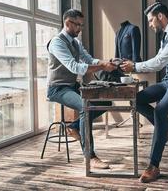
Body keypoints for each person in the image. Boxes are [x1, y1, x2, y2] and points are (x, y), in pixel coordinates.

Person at [120, 2, 168, 183]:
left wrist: (135, 66)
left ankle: (153, 166)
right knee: (136, 99)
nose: (150, 24)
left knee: (160, 110)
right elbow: (158, 60)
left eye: (150, 20)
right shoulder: (166, 36)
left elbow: (160, 62)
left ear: (160, 16)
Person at [47, 9, 117, 169]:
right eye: (77, 25)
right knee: (85, 107)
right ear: (67, 23)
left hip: (72, 86)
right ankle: (90, 157)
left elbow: (89, 59)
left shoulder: (76, 42)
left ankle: (74, 126)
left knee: (105, 103)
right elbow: (75, 67)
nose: (80, 29)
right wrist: (101, 66)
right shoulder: (57, 42)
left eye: (82, 25)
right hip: (57, 88)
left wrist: (107, 62)